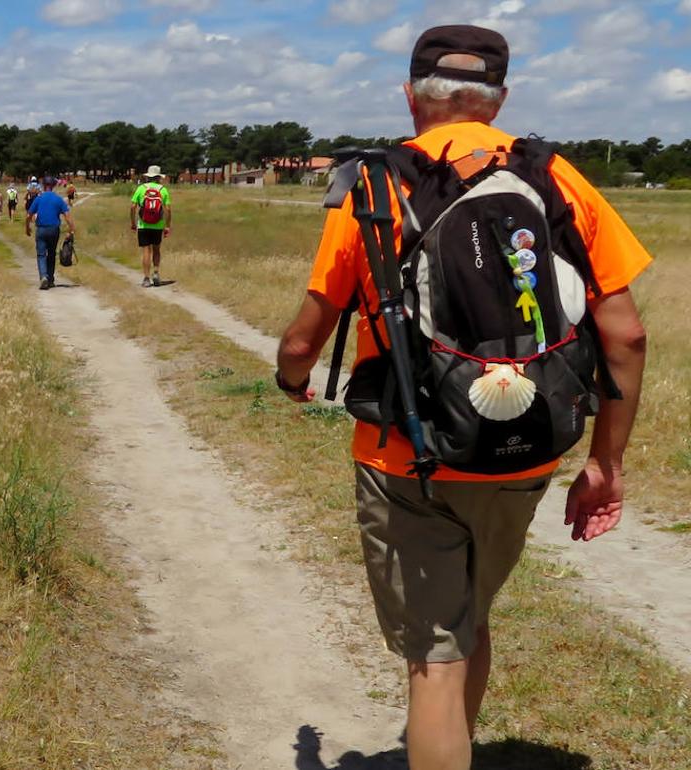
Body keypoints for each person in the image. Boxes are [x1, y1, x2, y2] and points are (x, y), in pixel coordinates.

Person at [274, 25, 650, 770]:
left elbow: (304, 338)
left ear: (411, 96)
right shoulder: (556, 179)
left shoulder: (375, 185)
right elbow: (627, 336)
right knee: (468, 622)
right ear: (500, 100)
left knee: (433, 658)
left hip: (406, 454)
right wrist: (606, 462)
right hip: (525, 448)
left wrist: (292, 379)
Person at [25, 176, 75, 290]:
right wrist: (71, 230)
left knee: (41, 254)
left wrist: (27, 228)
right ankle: (51, 279)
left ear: (43, 185)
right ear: (53, 186)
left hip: (41, 229)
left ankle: (43, 277)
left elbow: (29, 215)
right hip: (54, 230)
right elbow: (68, 216)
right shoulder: (58, 199)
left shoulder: (39, 198)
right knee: (51, 254)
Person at [130, 165, 171, 287]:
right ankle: (156, 273)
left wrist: (133, 222)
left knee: (146, 251)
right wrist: (167, 225)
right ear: (158, 177)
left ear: (148, 177)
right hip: (158, 225)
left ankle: (146, 278)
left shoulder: (141, 188)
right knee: (156, 249)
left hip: (143, 224)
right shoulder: (163, 189)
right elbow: (168, 209)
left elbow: (132, 206)